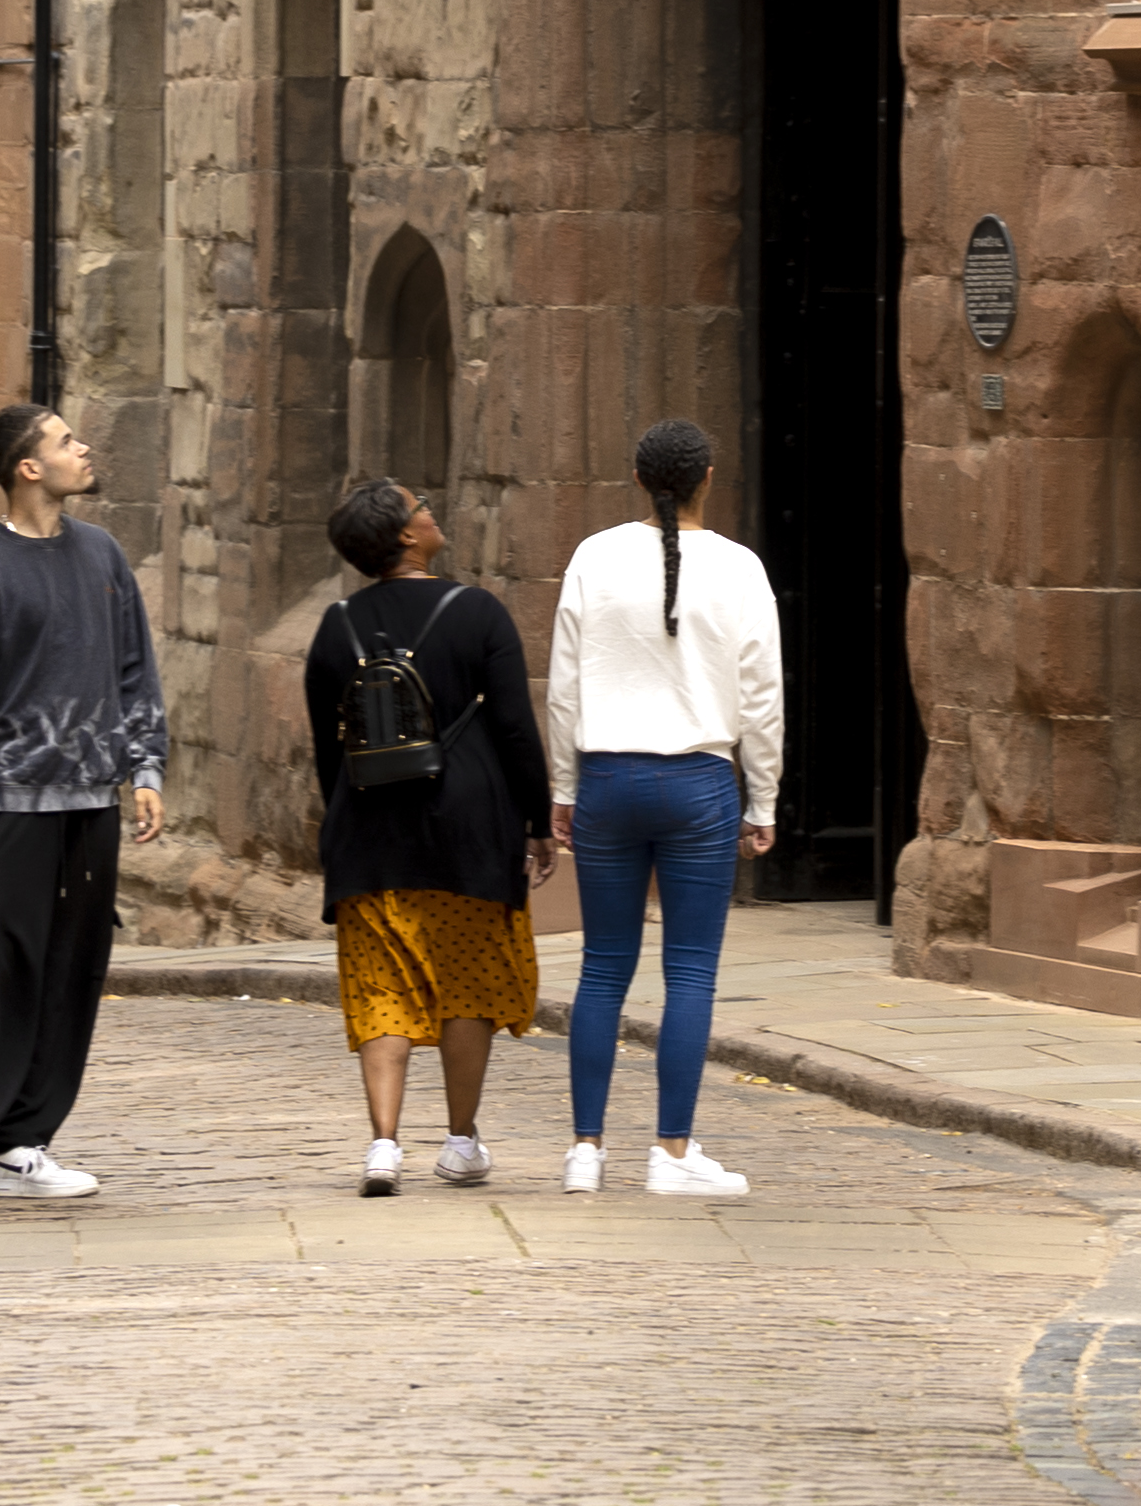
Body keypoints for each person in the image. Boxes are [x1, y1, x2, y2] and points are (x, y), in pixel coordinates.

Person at [0, 400, 166, 1215]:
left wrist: (146, 768)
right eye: (64, 441)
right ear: (30, 467)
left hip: (90, 804)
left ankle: (25, 1139)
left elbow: (134, 670)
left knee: (69, 973)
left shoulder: (102, 556)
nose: (81, 448)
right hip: (9, 809)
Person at [538, 416, 782, 1198]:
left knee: (603, 968)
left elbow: (565, 685)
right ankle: (672, 1153)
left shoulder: (593, 557)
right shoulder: (740, 567)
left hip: (609, 779)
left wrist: (564, 788)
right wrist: (765, 797)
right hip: (699, 785)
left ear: (639, 481)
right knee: (690, 972)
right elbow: (761, 695)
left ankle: (586, 1149)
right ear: (709, 477)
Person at [303, 474, 554, 1196]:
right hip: (468, 829)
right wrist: (537, 823)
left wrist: (343, 820)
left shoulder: (335, 625)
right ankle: (460, 1139)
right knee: (466, 986)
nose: (432, 512)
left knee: (381, 988)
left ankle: (383, 1144)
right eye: (421, 508)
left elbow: (330, 746)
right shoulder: (476, 612)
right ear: (406, 536)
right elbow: (512, 727)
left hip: (370, 832)